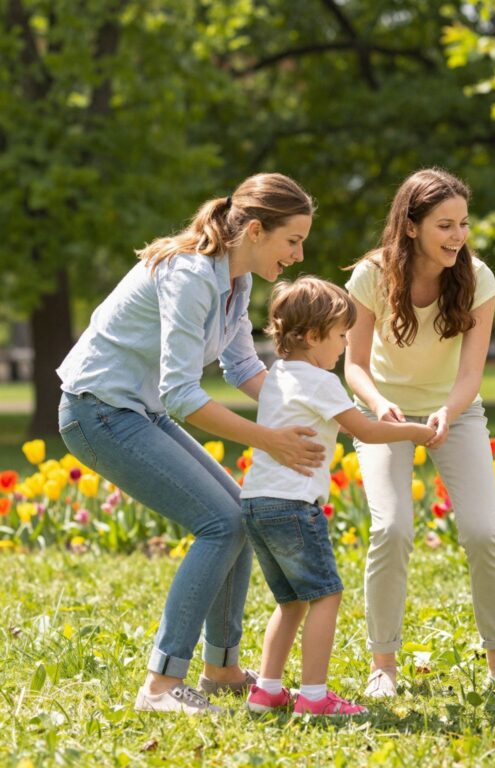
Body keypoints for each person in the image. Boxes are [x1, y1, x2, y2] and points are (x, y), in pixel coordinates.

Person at [57, 174, 324, 714]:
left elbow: (243, 364)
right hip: (97, 410)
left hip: (136, 411)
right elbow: (179, 393)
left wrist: (315, 406)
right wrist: (269, 438)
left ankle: (221, 670)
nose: (298, 255)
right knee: (219, 523)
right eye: (292, 240)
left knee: (239, 516)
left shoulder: (236, 278)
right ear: (254, 229)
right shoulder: (191, 275)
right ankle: (159, 686)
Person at [344, 168, 495, 697]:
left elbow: (471, 373)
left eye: (463, 224)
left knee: (483, 532)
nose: (457, 236)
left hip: (457, 414)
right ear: (411, 226)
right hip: (385, 415)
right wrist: (382, 405)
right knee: (392, 529)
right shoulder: (370, 276)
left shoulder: (478, 278)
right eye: (445, 225)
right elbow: (354, 365)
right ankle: (383, 666)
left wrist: (447, 414)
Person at [241, 277, 434, 718]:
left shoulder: (279, 376)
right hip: (293, 506)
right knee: (326, 596)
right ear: (311, 337)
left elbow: (346, 423)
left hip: (257, 502)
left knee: (290, 601)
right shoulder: (320, 380)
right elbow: (363, 430)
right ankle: (313, 696)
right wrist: (417, 432)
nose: (346, 346)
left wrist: (380, 410)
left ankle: (267, 690)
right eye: (341, 336)